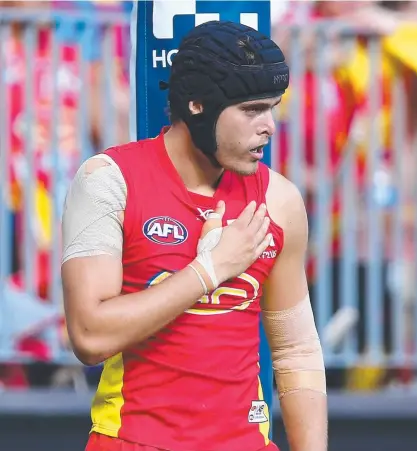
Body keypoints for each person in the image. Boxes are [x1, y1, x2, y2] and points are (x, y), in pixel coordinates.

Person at [61, 21, 327, 451]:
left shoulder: (279, 200)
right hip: (132, 442)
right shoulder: (108, 181)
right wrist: (209, 270)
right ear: (198, 105)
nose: (269, 127)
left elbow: (296, 353)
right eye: (251, 110)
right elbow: (89, 336)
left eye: (272, 107)